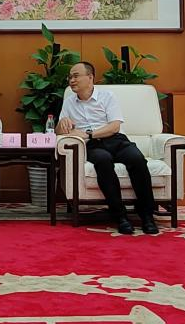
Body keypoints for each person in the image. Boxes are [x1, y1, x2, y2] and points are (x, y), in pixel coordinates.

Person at [58, 61, 159, 235]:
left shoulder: (107, 96)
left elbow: (114, 127)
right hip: (93, 146)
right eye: (70, 77)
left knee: (137, 160)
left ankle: (147, 216)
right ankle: (120, 217)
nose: (71, 80)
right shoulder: (69, 103)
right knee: (103, 161)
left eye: (76, 76)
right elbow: (59, 132)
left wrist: (88, 133)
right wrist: (62, 124)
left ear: (90, 78)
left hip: (115, 140)